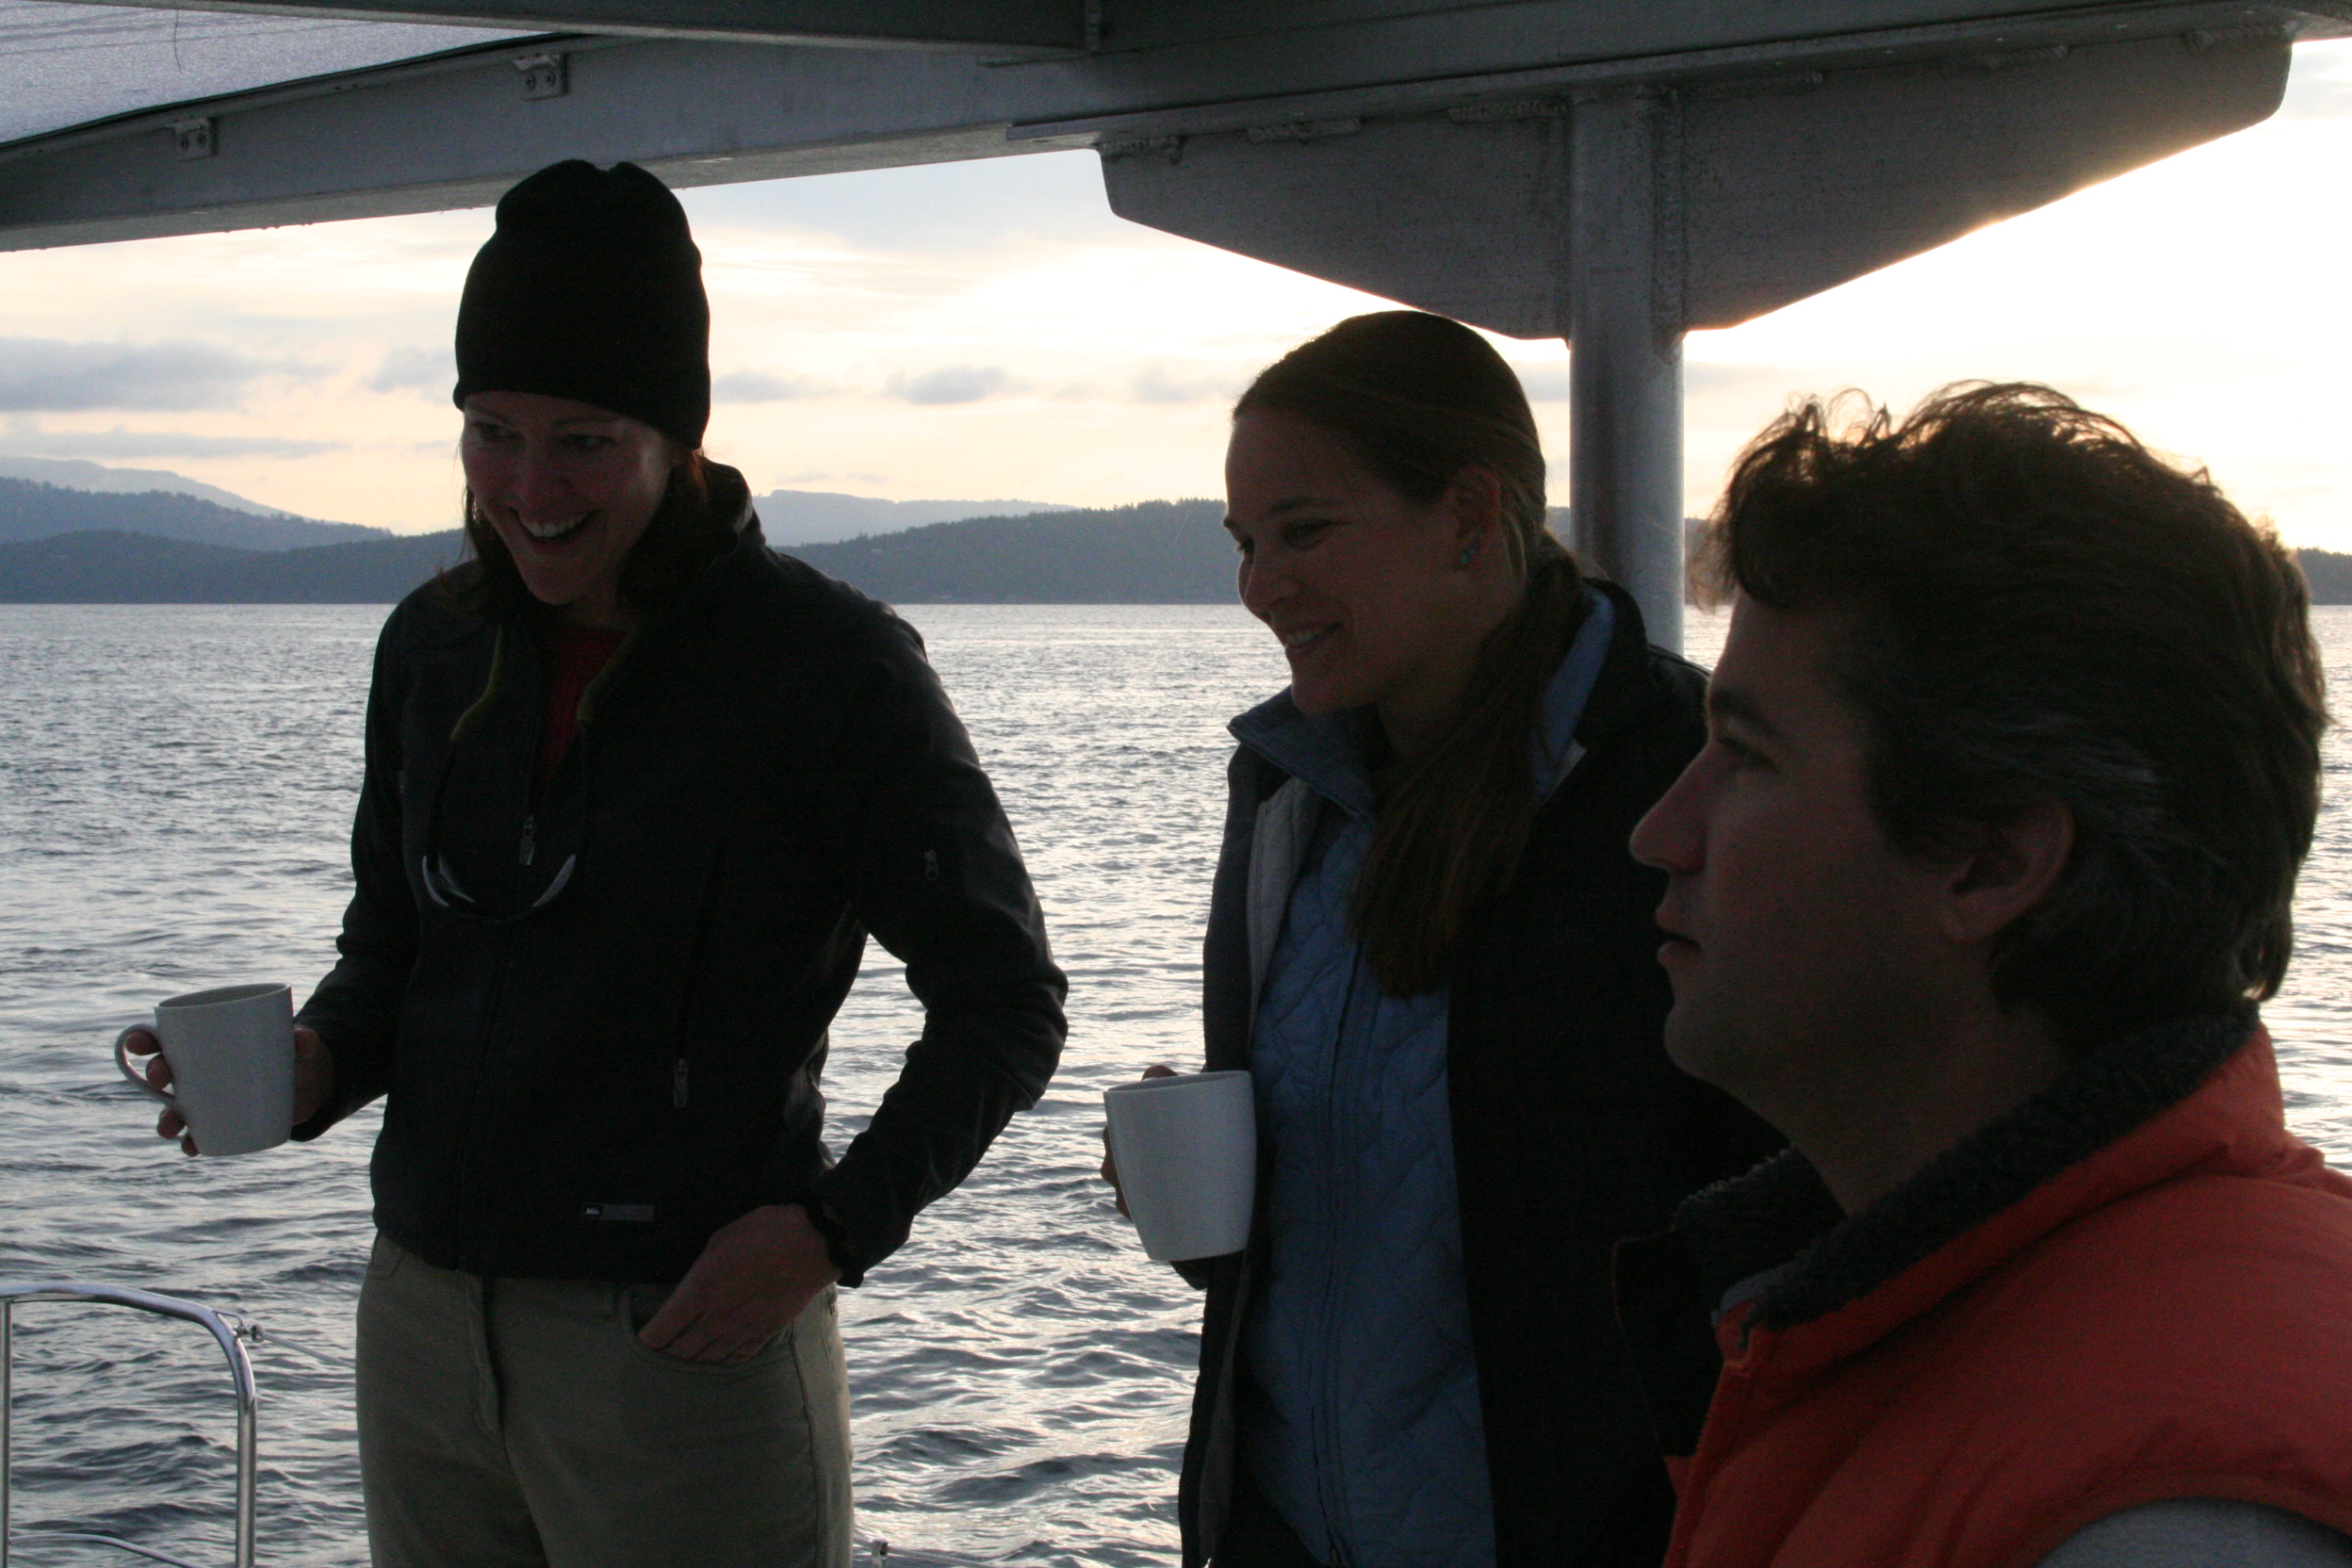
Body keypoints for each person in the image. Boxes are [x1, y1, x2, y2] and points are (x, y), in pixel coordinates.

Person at [123, 160, 1067, 1568]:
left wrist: (830, 1229)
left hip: (679, 1335)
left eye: (583, 442)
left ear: (678, 439)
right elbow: (395, 948)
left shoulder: (829, 666)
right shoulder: (434, 645)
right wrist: (317, 1062)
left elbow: (1006, 1002)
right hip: (423, 1321)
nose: (529, 488)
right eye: (491, 434)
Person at [1619, 384, 2352, 1568]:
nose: (1660, 831)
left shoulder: (2172, 1522)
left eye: (1747, 754)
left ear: (1993, 861)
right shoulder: (1919, 1317)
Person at [1105, 311, 1781, 1568]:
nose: (1261, 585)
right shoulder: (1285, 794)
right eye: (1247, 544)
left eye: (1305, 531)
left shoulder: (1679, 794)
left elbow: (1787, 1223)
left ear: (1469, 516)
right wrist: (1210, 1206)